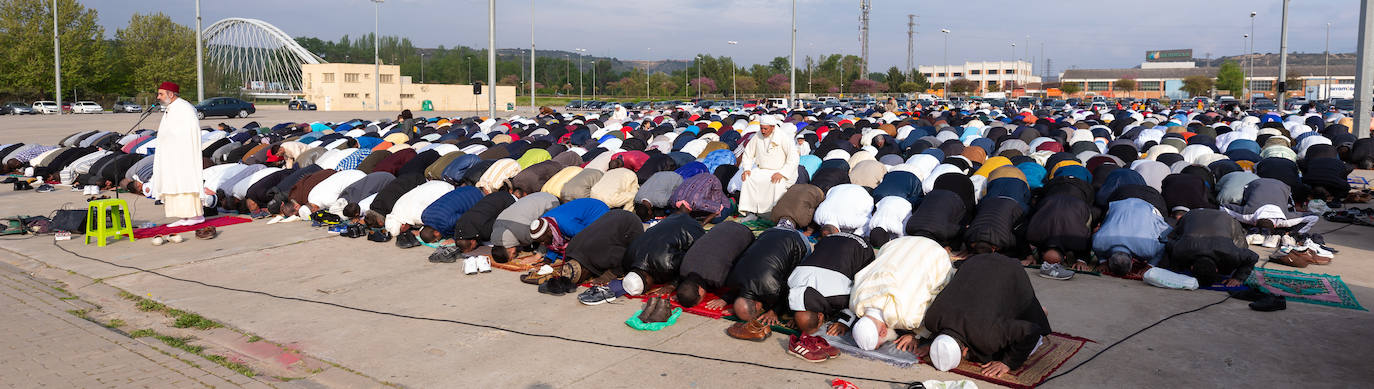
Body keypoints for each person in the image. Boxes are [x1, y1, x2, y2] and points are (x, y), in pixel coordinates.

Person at [920, 253, 1052, 377]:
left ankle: (1039, 312)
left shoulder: (988, 335)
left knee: (1026, 336)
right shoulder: (932, 319)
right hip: (975, 261)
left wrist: (1008, 362)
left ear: (965, 351)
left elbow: (1031, 331)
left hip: (1009, 270)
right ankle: (1039, 310)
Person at [846, 237, 954, 353]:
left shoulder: (909, 318)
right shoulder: (855, 301)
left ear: (883, 332)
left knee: (945, 287)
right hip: (898, 243)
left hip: (935, 252)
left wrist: (917, 336)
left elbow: (935, 307)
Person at [785, 227, 875, 358]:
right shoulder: (792, 282)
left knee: (865, 282)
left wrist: (844, 322)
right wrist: (799, 317)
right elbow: (801, 305)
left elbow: (857, 299)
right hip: (828, 240)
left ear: (821, 316)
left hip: (861, 247)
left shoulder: (838, 295)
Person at [723, 227, 811, 342]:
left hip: (799, 241)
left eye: (757, 313)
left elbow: (791, 292)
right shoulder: (732, 279)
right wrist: (726, 299)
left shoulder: (771, 289)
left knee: (796, 274)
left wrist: (774, 311)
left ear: (757, 306)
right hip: (770, 231)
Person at [151, 82, 205, 227]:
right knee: (174, 184)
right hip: (172, 155)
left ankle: (194, 216)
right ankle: (184, 216)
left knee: (184, 183)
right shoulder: (171, 108)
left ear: (171, 94)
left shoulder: (184, 108)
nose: (158, 97)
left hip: (182, 155)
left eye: (161, 94)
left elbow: (189, 132)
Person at [1166, 208, 1259, 286]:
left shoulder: (1229, 252)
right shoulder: (1181, 249)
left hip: (1224, 219)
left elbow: (1252, 256)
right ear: (1216, 269)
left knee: (1241, 247)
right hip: (1194, 215)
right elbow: (1168, 244)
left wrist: (1238, 278)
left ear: (1191, 268)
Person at [675, 221, 755, 309]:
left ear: (701, 292)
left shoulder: (717, 278)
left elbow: (740, 282)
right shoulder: (683, 269)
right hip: (723, 225)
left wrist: (726, 299)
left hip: (745, 233)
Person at [738, 116, 799, 220]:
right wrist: (747, 169)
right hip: (761, 170)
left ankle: (773, 213)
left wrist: (783, 173)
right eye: (761, 128)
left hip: (780, 171)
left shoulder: (783, 137)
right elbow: (748, 154)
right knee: (747, 178)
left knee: (777, 183)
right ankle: (751, 211)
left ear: (772, 127)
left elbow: (793, 158)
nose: (763, 131)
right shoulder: (757, 136)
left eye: (765, 129)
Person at [1092, 198, 1171, 275]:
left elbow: (1164, 243)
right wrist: (1150, 265)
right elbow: (1162, 245)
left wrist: (1150, 265)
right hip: (1120, 204)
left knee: (1165, 234)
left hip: (1146, 207)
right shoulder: (1098, 244)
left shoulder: (1147, 250)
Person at [1024, 193, 1094, 279]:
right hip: (1050, 200)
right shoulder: (1032, 236)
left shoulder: (1078, 239)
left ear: (1065, 257)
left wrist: (1081, 260)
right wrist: (1029, 256)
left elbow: (1087, 242)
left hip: (1078, 204)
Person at [489, 192, 559, 263]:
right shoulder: (496, 225)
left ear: (511, 251)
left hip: (550, 202)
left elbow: (546, 236)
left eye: (512, 257)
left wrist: (537, 256)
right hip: (538, 195)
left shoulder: (524, 231)